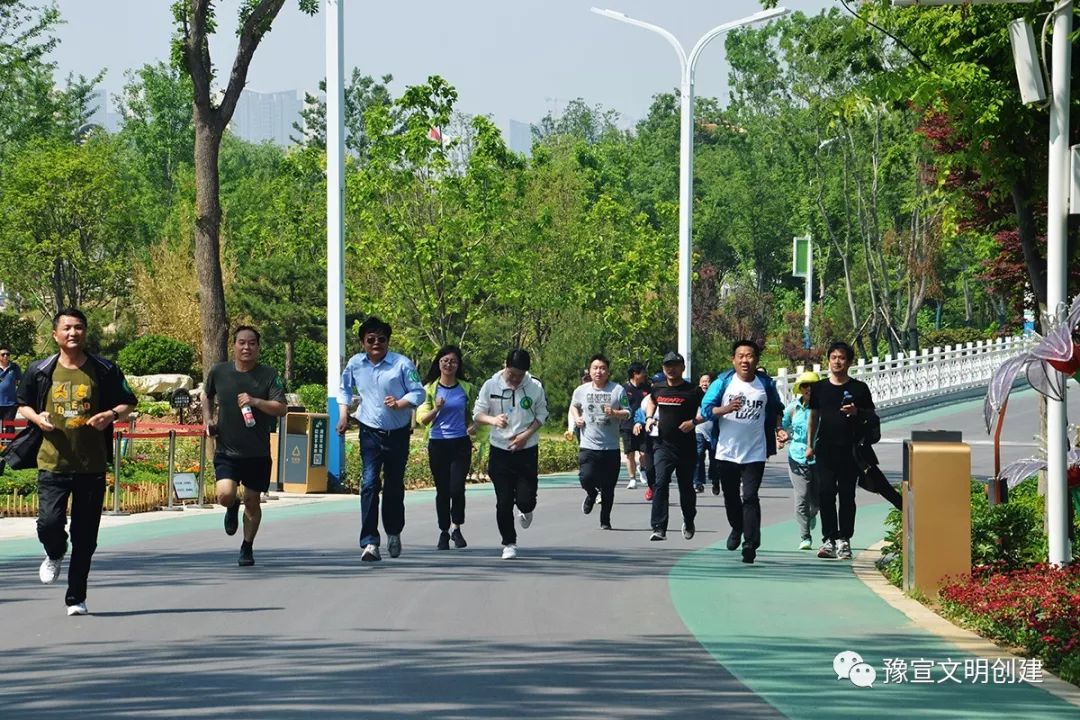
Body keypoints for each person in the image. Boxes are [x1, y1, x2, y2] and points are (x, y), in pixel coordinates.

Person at [15, 308, 136, 615]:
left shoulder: (104, 369)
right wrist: (37, 418)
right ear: (55, 334)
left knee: (86, 536)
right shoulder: (40, 370)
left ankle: (76, 597)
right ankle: (55, 552)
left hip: (90, 466)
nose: (73, 333)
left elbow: (128, 402)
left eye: (79, 327)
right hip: (52, 462)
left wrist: (110, 415)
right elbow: (23, 404)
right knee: (49, 523)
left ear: (85, 332)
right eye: (67, 328)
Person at [336, 316, 425, 562]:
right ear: (363, 342)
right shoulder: (355, 364)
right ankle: (370, 542)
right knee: (369, 484)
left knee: (394, 485)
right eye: (371, 339)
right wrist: (343, 415)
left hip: (397, 433)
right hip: (369, 432)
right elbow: (344, 390)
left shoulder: (402, 364)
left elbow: (418, 392)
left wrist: (400, 403)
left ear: (388, 341)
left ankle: (393, 532)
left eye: (381, 339)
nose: (376, 344)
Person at [203, 326, 288, 567]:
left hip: (257, 452)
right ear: (234, 346)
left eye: (251, 343)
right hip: (226, 449)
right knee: (224, 495)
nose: (246, 347)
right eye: (242, 342)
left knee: (252, 501)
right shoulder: (219, 371)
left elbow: (281, 408)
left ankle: (247, 546)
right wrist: (208, 420)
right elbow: (206, 395)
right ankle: (231, 507)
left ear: (258, 347)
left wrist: (256, 401)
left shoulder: (268, 375)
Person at [700, 340, 785, 564]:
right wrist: (726, 408)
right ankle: (737, 528)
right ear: (734, 360)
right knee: (731, 497)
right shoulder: (723, 382)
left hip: (755, 451)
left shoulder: (765, 384)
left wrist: (779, 429)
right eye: (741, 356)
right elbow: (706, 409)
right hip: (726, 451)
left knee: (750, 496)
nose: (745, 360)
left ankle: (750, 543)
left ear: (756, 360)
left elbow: (777, 408)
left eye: (749, 356)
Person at [473, 349, 549, 559]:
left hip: (527, 449)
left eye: (520, 375)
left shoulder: (535, 387)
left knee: (526, 500)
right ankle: (509, 542)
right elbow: (478, 414)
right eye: (512, 374)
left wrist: (525, 436)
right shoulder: (491, 385)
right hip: (500, 450)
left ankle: (526, 508)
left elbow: (542, 414)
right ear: (505, 366)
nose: (515, 379)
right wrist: (493, 420)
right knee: (504, 501)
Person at [806, 341, 876, 561]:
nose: (837, 362)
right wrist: (809, 445)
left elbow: (871, 415)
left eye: (842, 358)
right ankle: (829, 539)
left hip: (850, 451)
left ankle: (844, 539)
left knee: (847, 495)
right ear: (828, 360)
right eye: (834, 357)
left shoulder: (859, 388)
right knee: (825, 493)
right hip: (825, 450)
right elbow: (813, 417)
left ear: (849, 362)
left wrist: (856, 412)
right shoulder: (819, 388)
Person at [417, 345, 476, 550]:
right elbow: (422, 420)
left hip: (460, 443)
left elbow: (475, 413)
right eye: (445, 361)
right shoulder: (429, 389)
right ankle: (443, 531)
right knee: (442, 490)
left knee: (457, 488)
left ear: (458, 365)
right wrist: (437, 408)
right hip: (438, 444)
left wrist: (474, 427)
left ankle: (456, 528)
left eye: (453, 361)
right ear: (439, 363)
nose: (449, 365)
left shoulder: (467, 388)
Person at [644, 352, 705, 542]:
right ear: (663, 368)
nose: (671, 369)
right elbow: (652, 401)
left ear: (683, 367)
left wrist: (694, 422)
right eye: (667, 366)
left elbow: (709, 410)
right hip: (663, 445)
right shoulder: (658, 388)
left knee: (686, 488)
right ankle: (659, 528)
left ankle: (689, 519)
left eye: (675, 365)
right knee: (660, 483)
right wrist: (649, 418)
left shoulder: (693, 390)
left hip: (686, 447)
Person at [570, 354, 630, 530]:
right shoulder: (581, 390)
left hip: (610, 447)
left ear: (608, 371)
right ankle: (591, 494)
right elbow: (574, 406)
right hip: (588, 445)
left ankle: (605, 520)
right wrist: (577, 418)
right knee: (586, 477)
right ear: (589, 371)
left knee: (608, 487)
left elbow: (628, 412)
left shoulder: (617, 390)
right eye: (595, 368)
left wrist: (615, 413)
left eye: (603, 368)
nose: (599, 371)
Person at [781, 370, 821, 550]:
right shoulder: (793, 408)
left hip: (820, 458)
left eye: (813, 386)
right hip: (797, 456)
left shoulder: (823, 407)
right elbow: (782, 425)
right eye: (805, 385)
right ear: (800, 388)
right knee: (802, 496)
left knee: (816, 501)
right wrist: (781, 435)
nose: (809, 389)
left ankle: (811, 515)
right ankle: (805, 536)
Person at [620, 362, 650, 490]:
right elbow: (621, 408)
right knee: (630, 453)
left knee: (644, 452)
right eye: (642, 372)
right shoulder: (623, 389)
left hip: (643, 425)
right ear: (635, 374)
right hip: (627, 426)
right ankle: (632, 479)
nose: (645, 375)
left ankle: (642, 468)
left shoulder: (647, 388)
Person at [693, 372, 716, 494]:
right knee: (699, 455)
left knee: (714, 458)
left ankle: (715, 480)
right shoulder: (695, 395)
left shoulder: (717, 396)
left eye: (707, 381)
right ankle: (698, 483)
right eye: (702, 381)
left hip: (714, 431)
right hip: (699, 430)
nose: (705, 384)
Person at [0, 344, 21, 425]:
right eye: (3, 354)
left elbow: (20, 383)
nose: (5, 356)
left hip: (11, 403)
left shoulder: (15, 367)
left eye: (7, 354)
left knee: (9, 426)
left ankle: (8, 434)